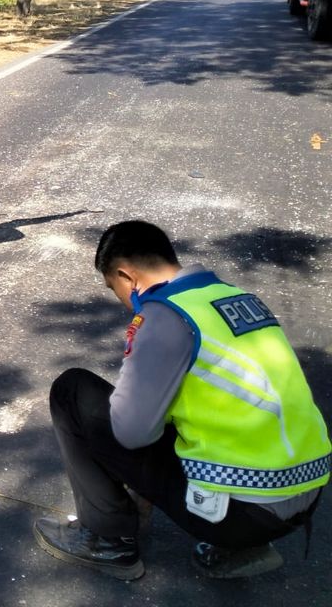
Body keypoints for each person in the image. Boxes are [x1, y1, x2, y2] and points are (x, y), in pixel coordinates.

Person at [34, 220, 329, 580]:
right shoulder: (234, 297)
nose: (124, 301)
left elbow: (131, 434)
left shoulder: (163, 316)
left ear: (127, 276)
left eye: (115, 289)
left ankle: (105, 538)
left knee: (73, 392)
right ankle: (239, 547)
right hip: (306, 491)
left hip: (244, 514)